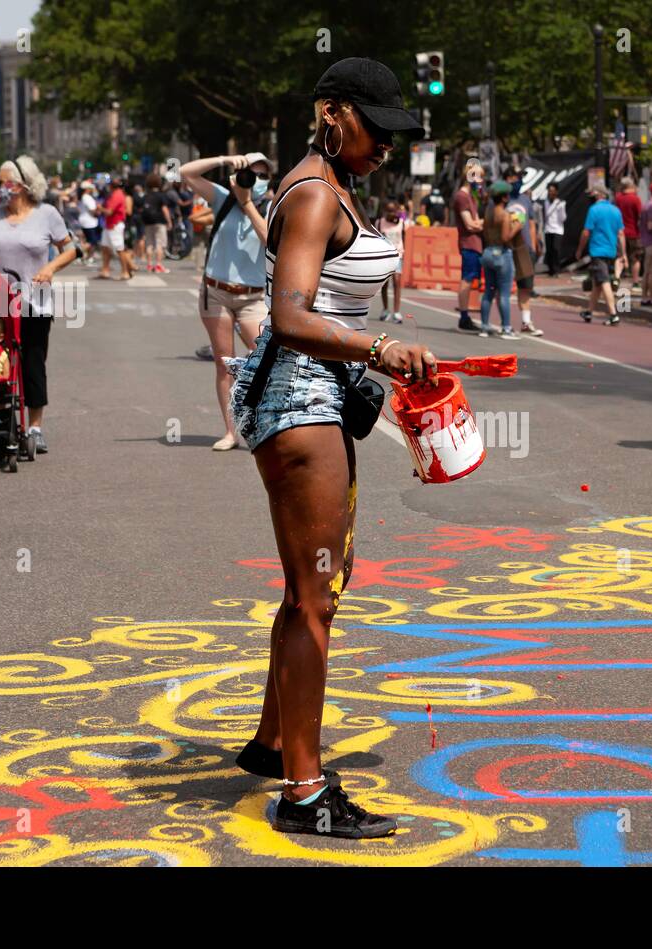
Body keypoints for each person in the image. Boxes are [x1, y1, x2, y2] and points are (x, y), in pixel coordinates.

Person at [228, 57, 437, 839]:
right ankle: (305, 795)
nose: (384, 144)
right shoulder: (315, 193)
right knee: (316, 595)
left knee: (316, 585)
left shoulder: (335, 183)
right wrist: (380, 348)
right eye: (373, 127)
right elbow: (289, 315)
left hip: (318, 397)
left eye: (393, 133)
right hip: (298, 399)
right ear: (330, 112)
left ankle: (274, 741)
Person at [0, 156, 78, 454]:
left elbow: (70, 249)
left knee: (32, 364)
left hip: (35, 303)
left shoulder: (47, 214)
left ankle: (35, 427)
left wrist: (50, 268)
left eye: (4, 182)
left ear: (22, 184)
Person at [179, 151, 274, 450]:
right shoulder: (222, 197)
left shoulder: (271, 206)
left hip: (253, 297)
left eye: (262, 174)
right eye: (250, 172)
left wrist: (247, 203)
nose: (255, 179)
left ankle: (264, 424)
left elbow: (271, 241)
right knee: (224, 364)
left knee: (266, 360)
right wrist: (224, 160)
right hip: (216, 292)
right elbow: (186, 173)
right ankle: (231, 432)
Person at [576, 185, 625, 325]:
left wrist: (579, 250)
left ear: (599, 195)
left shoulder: (594, 210)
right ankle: (589, 311)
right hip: (611, 251)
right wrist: (623, 253)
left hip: (598, 251)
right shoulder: (616, 210)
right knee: (597, 282)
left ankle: (613, 314)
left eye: (592, 194)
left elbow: (586, 232)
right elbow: (621, 234)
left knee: (604, 281)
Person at [479, 180, 522, 339]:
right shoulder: (504, 215)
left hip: (488, 252)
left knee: (489, 291)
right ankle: (506, 328)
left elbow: (484, 233)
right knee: (504, 294)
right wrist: (517, 227)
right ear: (504, 198)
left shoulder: (488, 213)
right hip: (502, 254)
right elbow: (505, 237)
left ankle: (484, 326)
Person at [504, 167, 543, 337]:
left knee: (525, 287)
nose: (517, 180)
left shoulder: (525, 200)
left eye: (519, 177)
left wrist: (533, 246)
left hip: (523, 249)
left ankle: (526, 322)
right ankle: (502, 323)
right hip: (505, 248)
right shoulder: (500, 200)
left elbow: (532, 224)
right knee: (501, 287)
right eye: (513, 177)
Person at [453, 158, 485, 331]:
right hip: (469, 244)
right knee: (467, 278)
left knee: (471, 278)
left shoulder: (472, 197)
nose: (480, 180)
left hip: (475, 244)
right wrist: (485, 224)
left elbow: (475, 221)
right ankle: (464, 317)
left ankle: (467, 316)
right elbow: (470, 224)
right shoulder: (462, 196)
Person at [375, 200, 407, 323]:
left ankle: (397, 312)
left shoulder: (402, 223)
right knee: (384, 283)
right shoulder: (380, 223)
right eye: (390, 211)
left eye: (395, 211)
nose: (393, 213)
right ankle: (385, 309)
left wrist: (403, 251)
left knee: (397, 282)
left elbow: (403, 237)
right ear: (385, 211)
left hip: (397, 255)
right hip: (384, 256)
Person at [97, 178, 133, 280]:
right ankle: (105, 270)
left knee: (119, 249)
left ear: (111, 186)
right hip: (109, 224)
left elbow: (109, 211)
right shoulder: (115, 194)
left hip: (115, 225)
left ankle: (125, 271)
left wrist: (100, 208)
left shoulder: (117, 195)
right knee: (105, 248)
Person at [140, 172, 175, 275]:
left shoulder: (146, 195)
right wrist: (169, 221)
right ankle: (159, 265)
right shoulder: (161, 196)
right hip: (159, 222)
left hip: (148, 222)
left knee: (149, 243)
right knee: (160, 244)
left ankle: (149, 265)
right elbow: (164, 209)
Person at [615, 176, 643, 285]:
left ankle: (617, 278)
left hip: (620, 232)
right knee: (635, 258)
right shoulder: (635, 199)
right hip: (634, 233)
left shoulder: (618, 198)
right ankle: (635, 281)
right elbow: (640, 216)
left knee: (620, 255)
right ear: (631, 185)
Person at [543, 182, 567, 277]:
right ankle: (551, 270)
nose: (551, 193)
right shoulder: (545, 202)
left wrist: (560, 209)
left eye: (553, 191)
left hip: (558, 229)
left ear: (556, 192)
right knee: (549, 250)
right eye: (549, 191)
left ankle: (557, 270)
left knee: (556, 249)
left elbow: (563, 218)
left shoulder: (561, 203)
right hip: (548, 229)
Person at [76, 181, 101, 262]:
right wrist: (98, 210)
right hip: (89, 222)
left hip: (86, 220)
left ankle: (89, 257)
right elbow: (92, 210)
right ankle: (76, 254)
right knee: (92, 241)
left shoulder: (82, 197)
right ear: (87, 189)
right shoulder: (87, 197)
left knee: (89, 240)